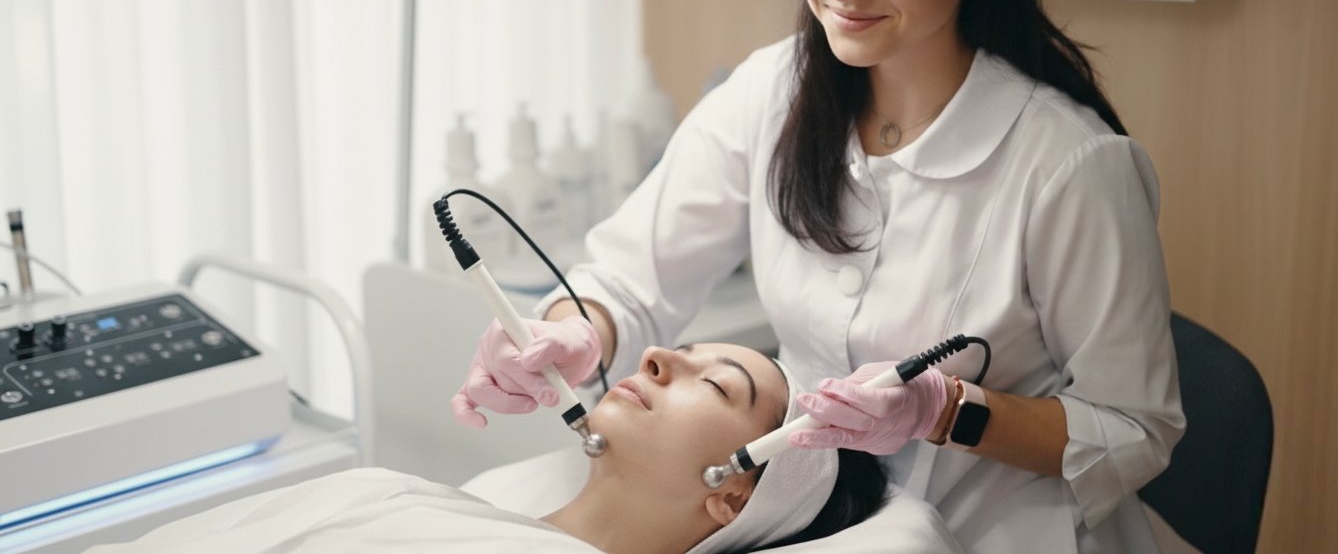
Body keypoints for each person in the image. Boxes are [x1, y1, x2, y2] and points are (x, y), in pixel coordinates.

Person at [452, 0, 1185, 551]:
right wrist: (568, 335)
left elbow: (1134, 429)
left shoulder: (1070, 165)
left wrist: (946, 409)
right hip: (810, 524)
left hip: (998, 530)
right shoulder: (771, 92)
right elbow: (631, 281)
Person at [88, 343, 891, 554]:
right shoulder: (421, 500)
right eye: (684, 351)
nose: (658, 359)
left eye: (716, 388)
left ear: (734, 493)